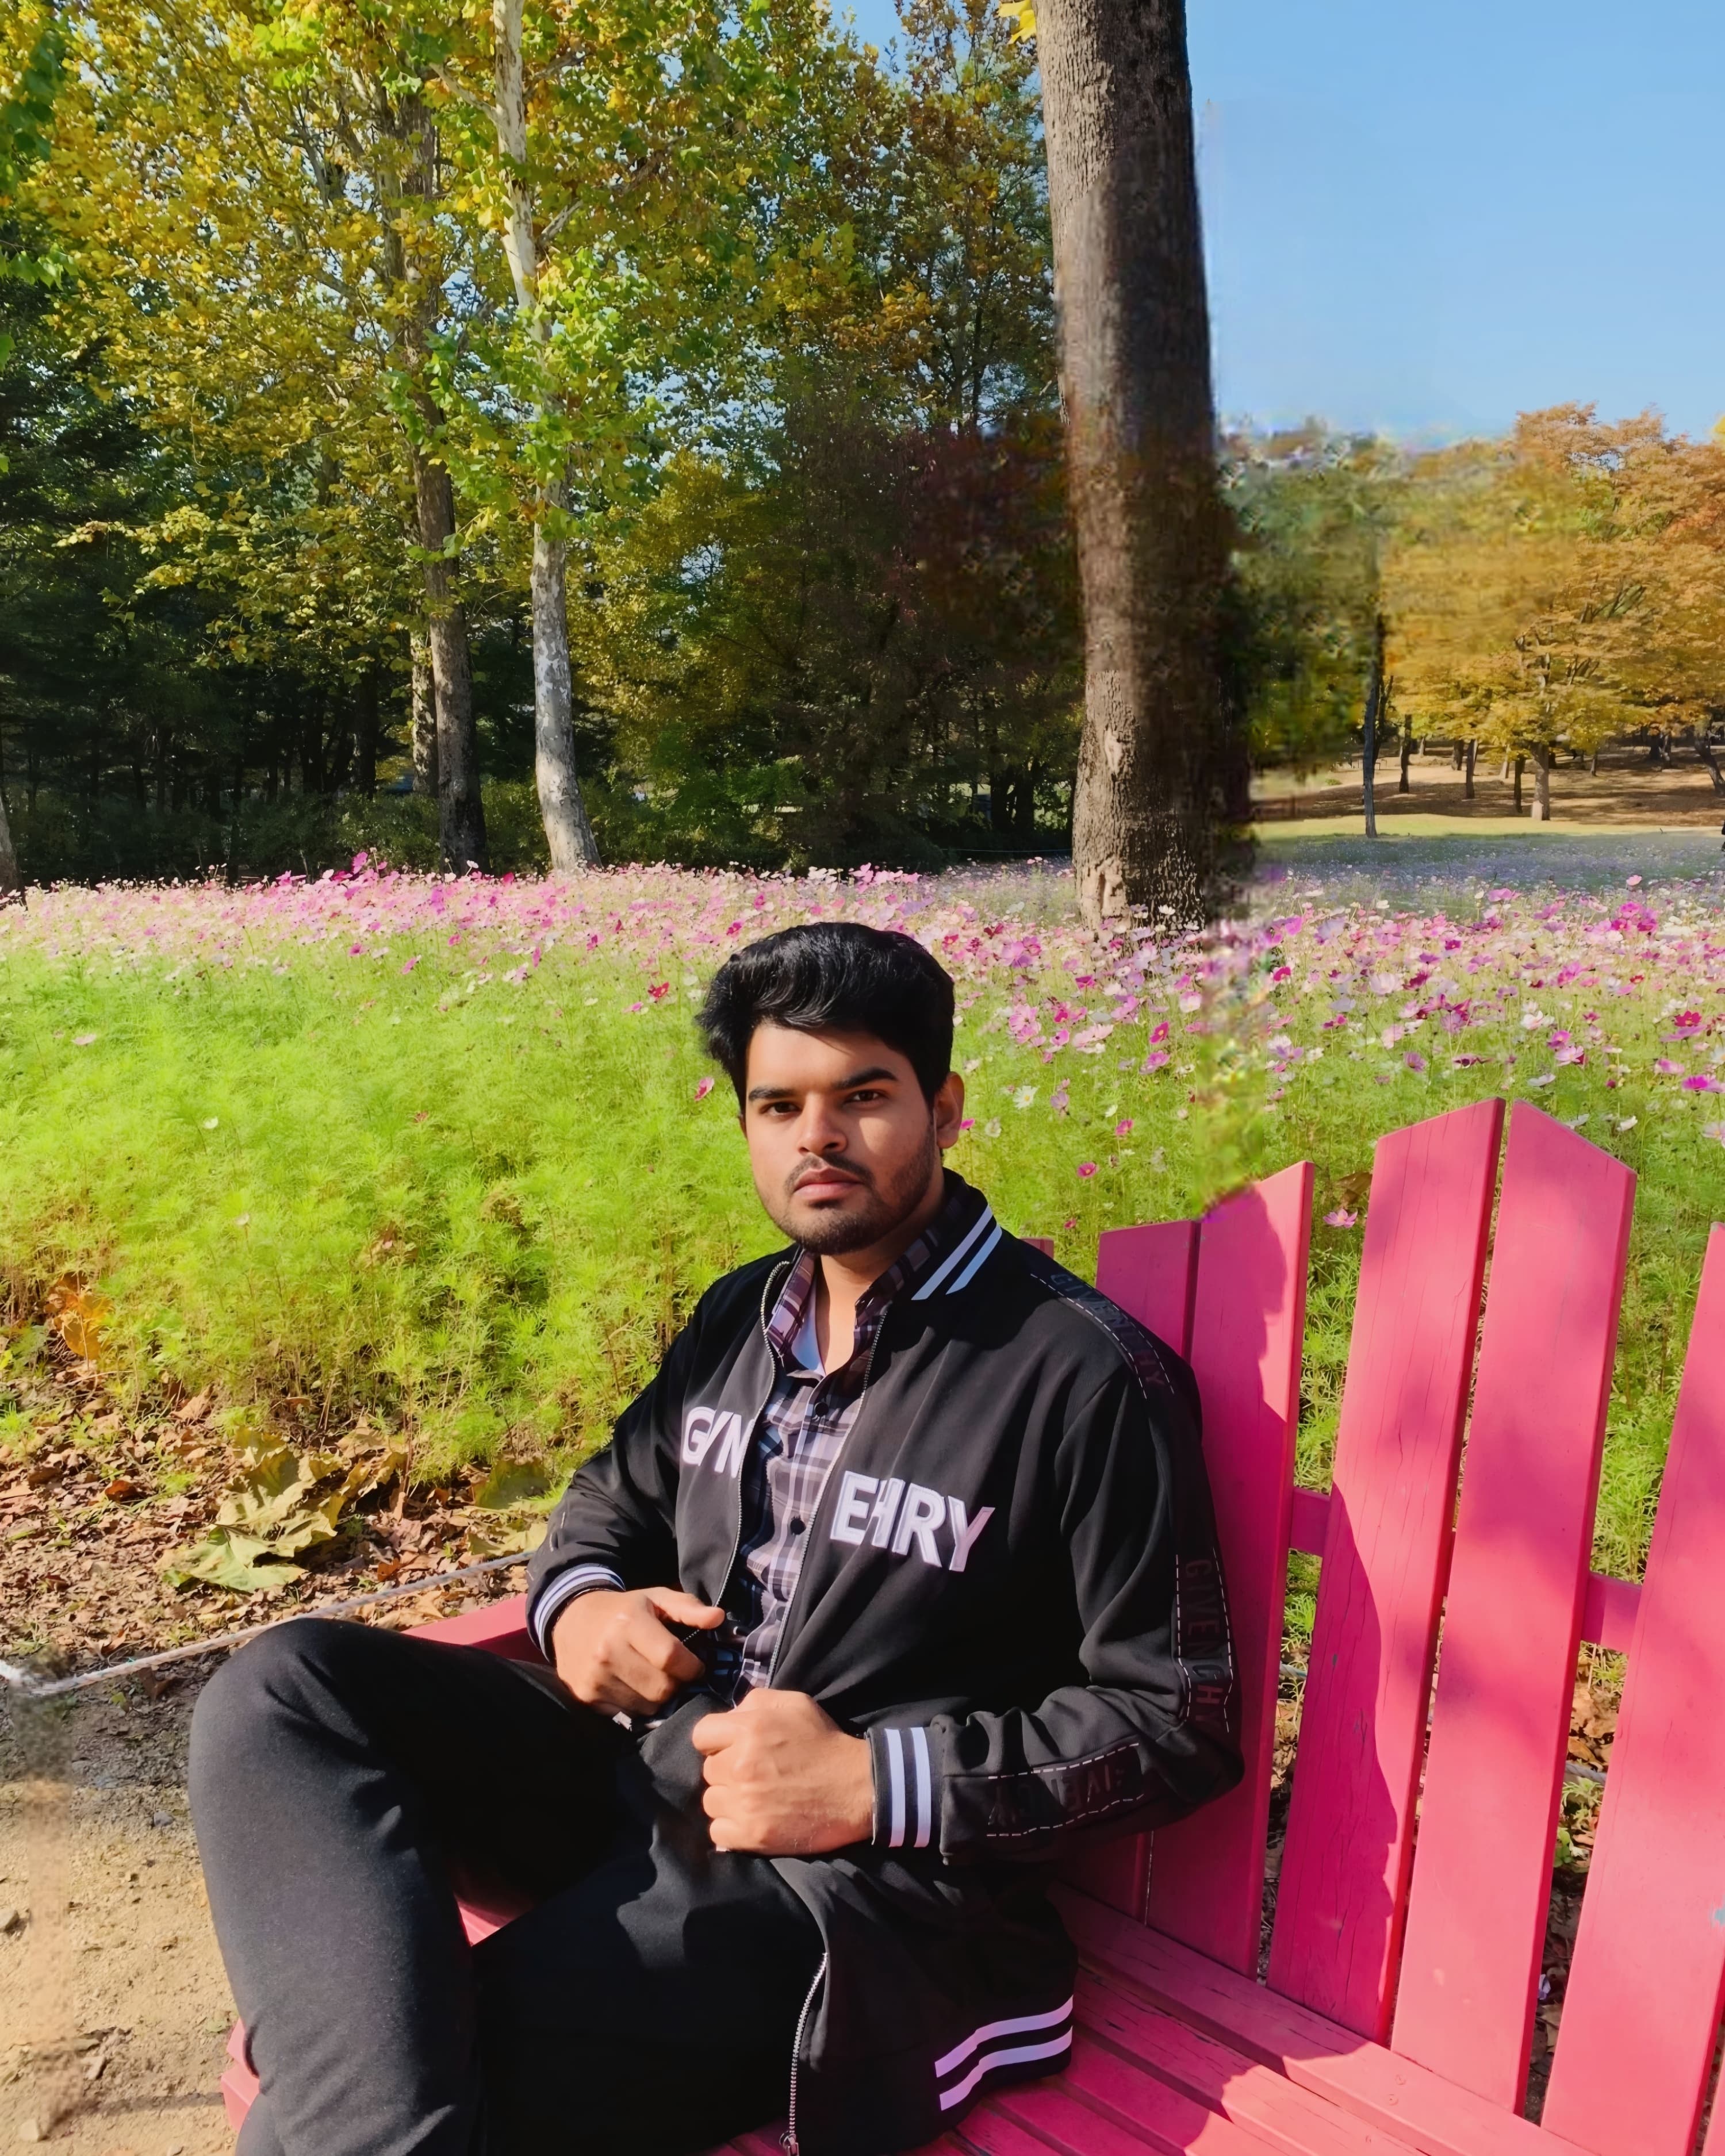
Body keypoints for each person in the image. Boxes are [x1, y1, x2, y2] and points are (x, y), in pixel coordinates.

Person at [190, 922, 1241, 2156]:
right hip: (642, 1779)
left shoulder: (1082, 1376)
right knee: (283, 1694)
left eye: (865, 1096)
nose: (820, 1136)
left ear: (945, 1108)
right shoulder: (743, 1317)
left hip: (852, 1903)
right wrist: (580, 1603)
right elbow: (604, 1506)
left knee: (433, 2076)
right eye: (778, 1103)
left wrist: (871, 1782)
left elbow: (1179, 1716)